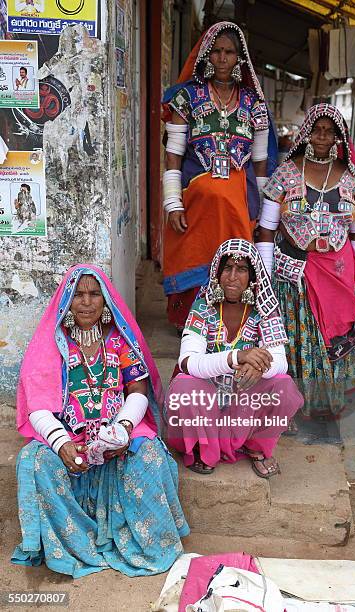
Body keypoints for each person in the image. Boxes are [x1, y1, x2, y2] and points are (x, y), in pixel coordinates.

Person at [11, 265, 189, 578]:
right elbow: (37, 405)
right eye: (78, 294)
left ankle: (148, 542)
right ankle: (77, 544)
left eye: (94, 294)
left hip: (117, 438)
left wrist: (122, 430)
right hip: (70, 442)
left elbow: (137, 388)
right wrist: (62, 443)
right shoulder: (53, 343)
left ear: (106, 301)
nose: (86, 302)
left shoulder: (120, 341)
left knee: (149, 455)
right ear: (67, 299)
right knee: (34, 460)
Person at [161, 21, 278, 331]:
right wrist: (173, 203)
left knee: (236, 260)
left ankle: (228, 324)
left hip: (237, 201)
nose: (223, 59)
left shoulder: (255, 104)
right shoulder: (186, 98)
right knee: (190, 251)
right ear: (206, 56)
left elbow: (261, 162)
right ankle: (189, 322)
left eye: (229, 52)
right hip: (195, 198)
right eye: (217, 52)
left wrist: (261, 213)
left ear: (239, 58)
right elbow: (172, 154)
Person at [255, 103, 355, 420]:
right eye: (317, 129)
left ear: (337, 137)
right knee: (294, 338)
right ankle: (291, 404)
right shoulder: (286, 174)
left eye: (328, 131)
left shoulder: (352, 181)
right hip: (291, 272)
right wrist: (265, 278)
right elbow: (265, 230)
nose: (322, 136)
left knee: (330, 337)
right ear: (307, 133)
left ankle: (322, 403)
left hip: (337, 274)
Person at [165, 239, 304, 477]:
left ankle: (256, 447)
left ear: (252, 277)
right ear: (217, 273)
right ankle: (203, 447)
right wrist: (236, 357)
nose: (232, 276)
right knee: (183, 387)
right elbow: (187, 361)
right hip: (205, 398)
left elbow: (281, 361)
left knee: (284, 387)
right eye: (227, 268)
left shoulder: (264, 310)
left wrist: (260, 367)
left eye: (241, 270)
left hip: (244, 399)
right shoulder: (203, 307)